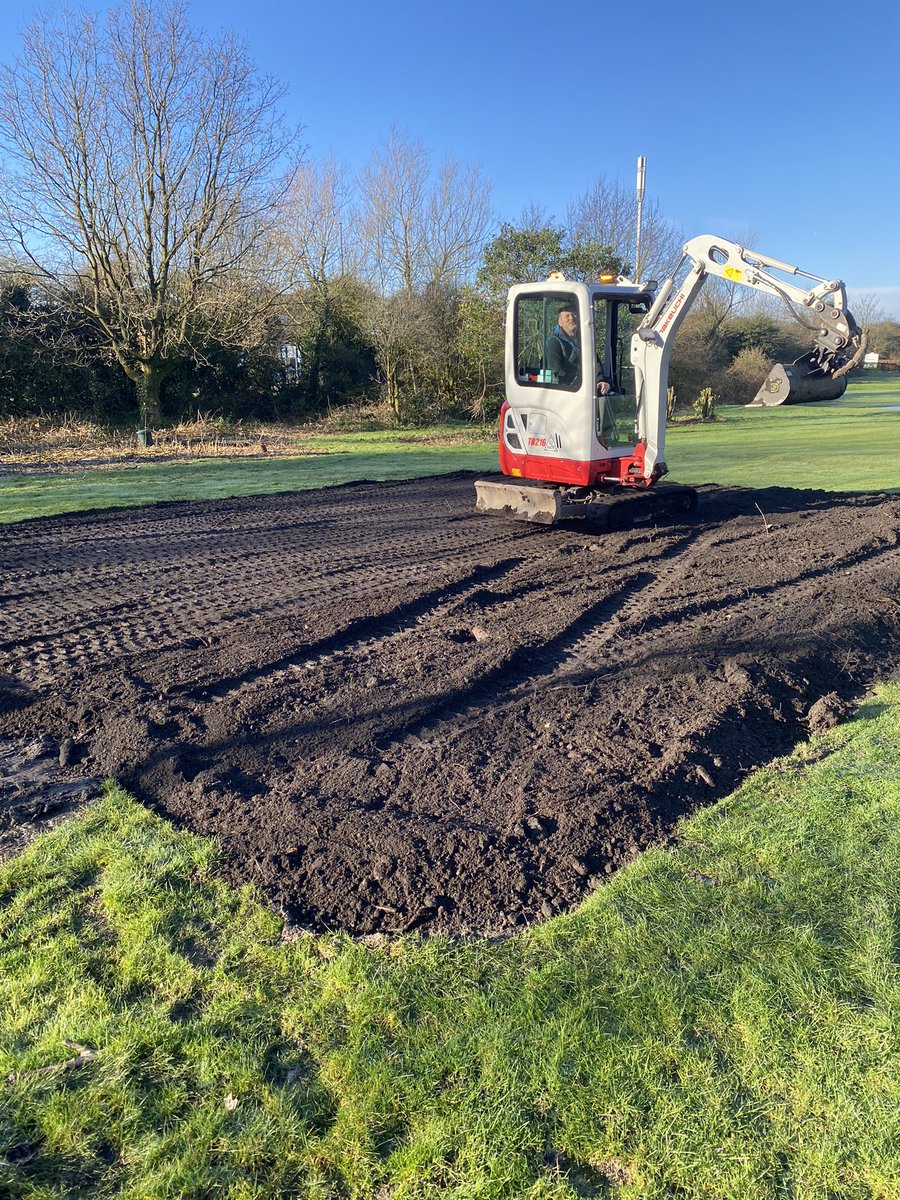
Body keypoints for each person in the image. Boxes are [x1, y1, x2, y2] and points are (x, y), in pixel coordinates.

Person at [544, 302, 610, 394]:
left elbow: (595, 364)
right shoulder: (553, 342)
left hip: (584, 390)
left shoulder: (585, 340)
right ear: (560, 322)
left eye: (573, 314)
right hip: (565, 392)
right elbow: (557, 372)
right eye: (567, 316)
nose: (571, 318)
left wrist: (601, 381)